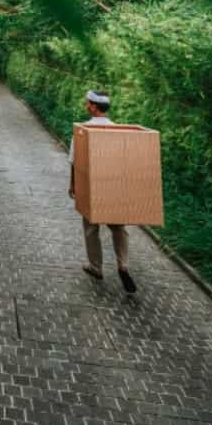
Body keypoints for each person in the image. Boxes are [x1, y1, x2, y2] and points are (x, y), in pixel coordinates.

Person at [68, 89, 137, 294]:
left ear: (93, 106)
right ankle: (123, 264)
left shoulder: (83, 130)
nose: (86, 105)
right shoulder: (118, 130)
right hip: (112, 186)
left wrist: (73, 184)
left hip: (90, 185)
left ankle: (96, 267)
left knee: (91, 227)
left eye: (88, 103)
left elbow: (74, 161)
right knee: (118, 227)